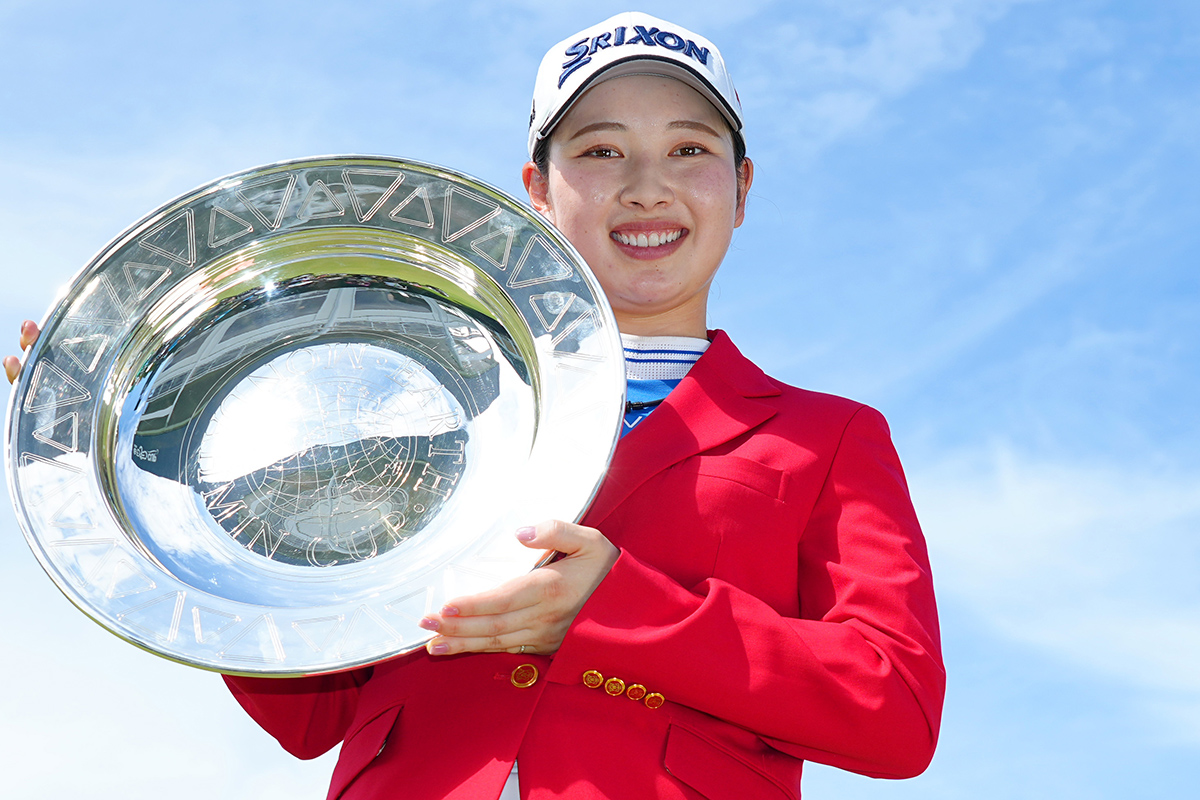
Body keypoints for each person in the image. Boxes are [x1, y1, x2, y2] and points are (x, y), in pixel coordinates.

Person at [7, 11, 944, 799]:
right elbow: (313, 715)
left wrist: (616, 610)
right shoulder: (411, 417)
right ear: (536, 193)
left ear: (741, 189)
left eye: (690, 150)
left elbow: (893, 712)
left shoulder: (825, 436)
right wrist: (145, 469)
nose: (646, 184)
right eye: (600, 150)